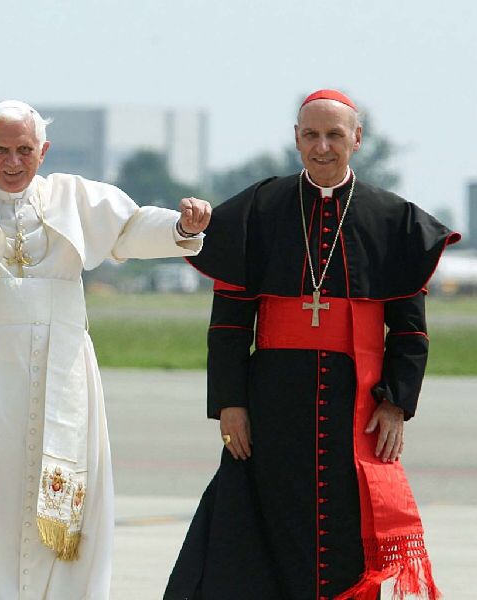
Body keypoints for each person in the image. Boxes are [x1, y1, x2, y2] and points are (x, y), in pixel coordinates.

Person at [0, 100, 211, 599]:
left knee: (62, 506)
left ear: (44, 150)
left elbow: (129, 229)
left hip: (64, 369)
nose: (12, 162)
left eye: (24, 150)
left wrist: (183, 228)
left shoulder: (74, 197)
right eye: (0, 151)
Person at [165, 89, 459, 600]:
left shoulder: (394, 219)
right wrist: (230, 403)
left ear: (357, 140)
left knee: (348, 532)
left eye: (335, 135)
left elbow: (410, 330)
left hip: (355, 405)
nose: (322, 147)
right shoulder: (260, 207)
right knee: (256, 533)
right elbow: (230, 322)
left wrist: (395, 404)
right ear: (296, 139)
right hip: (271, 404)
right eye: (311, 135)